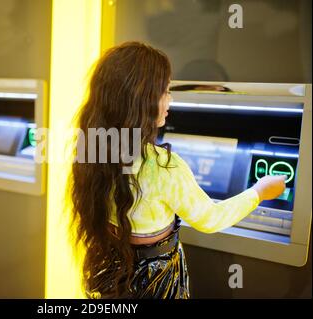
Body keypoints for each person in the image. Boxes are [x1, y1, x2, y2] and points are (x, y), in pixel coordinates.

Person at [68, 41, 286, 299]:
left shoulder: (93, 148)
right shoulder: (163, 167)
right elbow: (210, 218)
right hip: (156, 282)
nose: (170, 100)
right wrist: (259, 191)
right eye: (165, 91)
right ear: (143, 101)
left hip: (114, 273)